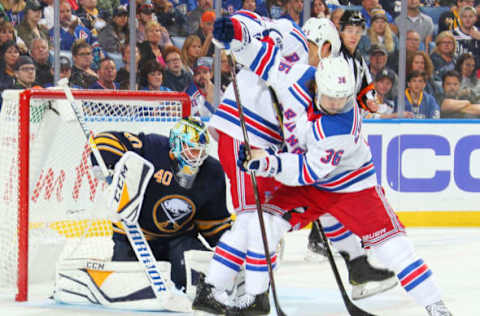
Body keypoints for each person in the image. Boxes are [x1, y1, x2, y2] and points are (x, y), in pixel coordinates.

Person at [208, 16, 453, 315]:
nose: (336, 105)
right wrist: (234, 36)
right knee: (263, 226)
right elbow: (263, 58)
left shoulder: (340, 128)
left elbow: (307, 171)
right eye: (330, 98)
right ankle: (257, 298)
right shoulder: (300, 77)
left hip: (351, 188)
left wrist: (268, 163)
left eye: (342, 100)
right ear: (316, 82)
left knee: (394, 249)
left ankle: (435, 305)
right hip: (311, 188)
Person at [90, 117, 232, 293]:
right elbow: (104, 140)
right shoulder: (152, 148)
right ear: (177, 144)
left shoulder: (212, 172)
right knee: (127, 288)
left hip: (179, 241)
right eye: (193, 150)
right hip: (134, 236)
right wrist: (107, 163)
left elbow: (213, 223)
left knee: (202, 285)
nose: (199, 156)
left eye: (201, 151)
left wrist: (233, 249)